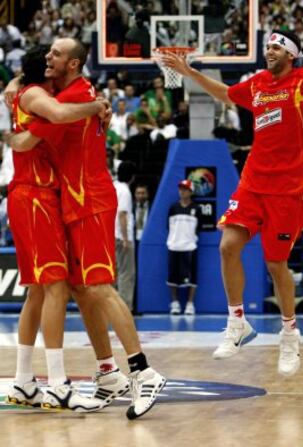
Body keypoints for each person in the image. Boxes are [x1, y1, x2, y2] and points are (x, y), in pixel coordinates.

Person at [162, 30, 303, 375]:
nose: (269, 51)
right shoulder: (259, 83)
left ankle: (289, 334)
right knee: (227, 247)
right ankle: (237, 323)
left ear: (291, 54)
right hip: (252, 184)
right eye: (267, 46)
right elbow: (226, 94)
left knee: (276, 265)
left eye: (276, 47)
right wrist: (189, 72)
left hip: (289, 190)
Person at [8, 37, 166, 419]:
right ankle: (109, 374)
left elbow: (33, 120)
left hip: (90, 199)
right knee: (80, 289)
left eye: (56, 55)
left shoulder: (71, 97)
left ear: (74, 64)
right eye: (46, 55)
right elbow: (19, 89)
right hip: (68, 201)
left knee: (97, 286)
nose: (49, 58)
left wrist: (13, 136)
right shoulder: (68, 93)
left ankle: (143, 371)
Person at [5, 46, 109, 412]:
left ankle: (22, 381)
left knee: (36, 293)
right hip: (36, 196)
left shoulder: (24, 92)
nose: (54, 65)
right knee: (55, 288)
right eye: (48, 61)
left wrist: (20, 136)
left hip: (27, 195)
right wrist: (96, 106)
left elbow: (24, 129)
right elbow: (62, 112)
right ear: (43, 71)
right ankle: (58, 384)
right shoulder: (35, 95)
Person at [166, 180, 201, 316]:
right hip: (173, 246)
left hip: (190, 248)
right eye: (181, 188)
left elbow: (199, 229)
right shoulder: (173, 208)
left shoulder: (196, 209)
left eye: (185, 189)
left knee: (192, 277)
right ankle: (175, 304)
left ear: (191, 192)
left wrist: (191, 239)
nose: (182, 191)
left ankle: (190, 305)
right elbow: (168, 226)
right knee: (172, 276)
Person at [114, 161, 136, 311]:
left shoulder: (113, 186)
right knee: (126, 274)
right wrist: (126, 238)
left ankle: (114, 308)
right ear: (132, 177)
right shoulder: (125, 191)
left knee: (115, 274)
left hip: (110, 236)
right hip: (121, 237)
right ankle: (124, 310)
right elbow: (122, 214)